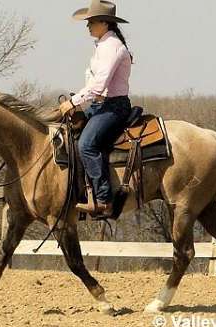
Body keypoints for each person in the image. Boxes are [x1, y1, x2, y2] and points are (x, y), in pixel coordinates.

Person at [59, 0, 133, 216]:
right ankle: (81, 191)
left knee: (86, 145)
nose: (87, 25)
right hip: (101, 105)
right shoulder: (104, 45)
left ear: (104, 23)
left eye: (91, 21)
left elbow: (99, 86)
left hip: (114, 107)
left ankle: (103, 200)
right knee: (67, 134)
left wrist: (73, 102)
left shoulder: (112, 48)